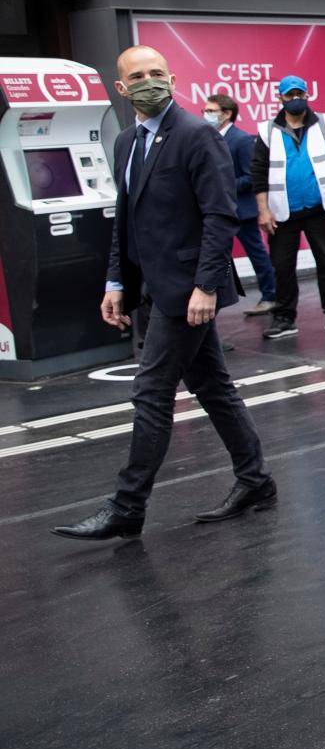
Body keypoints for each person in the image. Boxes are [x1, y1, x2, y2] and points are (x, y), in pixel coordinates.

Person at [51, 46, 275, 541]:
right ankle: (256, 481)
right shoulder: (127, 141)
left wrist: (205, 285)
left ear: (173, 79)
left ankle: (127, 507)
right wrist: (115, 282)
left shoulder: (197, 135)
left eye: (159, 73)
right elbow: (127, 220)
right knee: (213, 387)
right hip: (151, 287)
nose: (151, 81)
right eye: (139, 76)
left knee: (151, 393)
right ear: (122, 88)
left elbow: (219, 217)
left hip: (187, 292)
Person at [250, 75, 325, 340]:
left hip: (318, 209)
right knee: (282, 267)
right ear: (280, 98)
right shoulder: (267, 131)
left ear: (307, 95)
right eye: (290, 95)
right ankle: (284, 318)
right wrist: (263, 210)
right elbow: (259, 172)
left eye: (300, 94)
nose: (295, 99)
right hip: (281, 212)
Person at [204, 93, 275, 316]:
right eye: (205, 111)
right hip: (217, 209)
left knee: (256, 253)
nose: (206, 115)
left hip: (240, 210)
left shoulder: (241, 140)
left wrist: (222, 185)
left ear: (227, 114)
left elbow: (251, 177)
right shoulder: (208, 138)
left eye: (211, 111)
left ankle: (271, 295)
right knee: (214, 255)